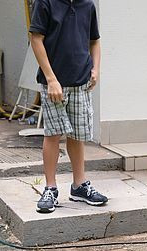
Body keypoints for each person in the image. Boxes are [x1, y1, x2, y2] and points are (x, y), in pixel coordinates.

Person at [29, 0, 108, 213]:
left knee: (77, 135)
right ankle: (50, 188)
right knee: (53, 134)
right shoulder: (45, 2)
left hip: (81, 82)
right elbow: (36, 39)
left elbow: (94, 41)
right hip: (53, 84)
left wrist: (96, 69)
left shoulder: (87, 5)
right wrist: (51, 79)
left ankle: (79, 186)